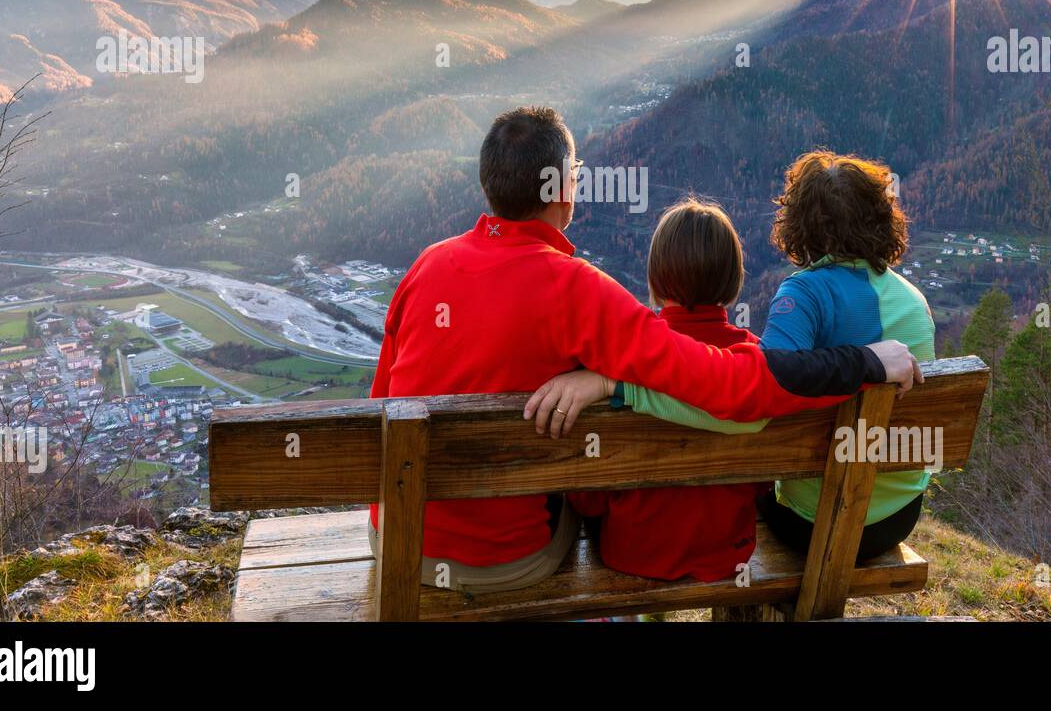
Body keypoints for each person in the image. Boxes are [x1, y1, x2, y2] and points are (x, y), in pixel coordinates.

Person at [371, 107, 921, 594]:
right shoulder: (578, 290)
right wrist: (867, 361)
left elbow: (383, 402)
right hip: (507, 561)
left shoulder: (426, 266)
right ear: (563, 189)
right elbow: (732, 386)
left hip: (394, 538)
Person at [527, 150, 933, 563]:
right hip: (896, 517)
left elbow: (757, 396)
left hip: (810, 522)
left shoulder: (803, 295)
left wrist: (618, 384)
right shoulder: (916, 304)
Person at [567, 198, 769, 581]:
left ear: (656, 280)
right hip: (729, 553)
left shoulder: (621, 361)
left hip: (633, 551)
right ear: (733, 278)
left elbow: (588, 497)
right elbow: (762, 481)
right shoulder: (755, 363)